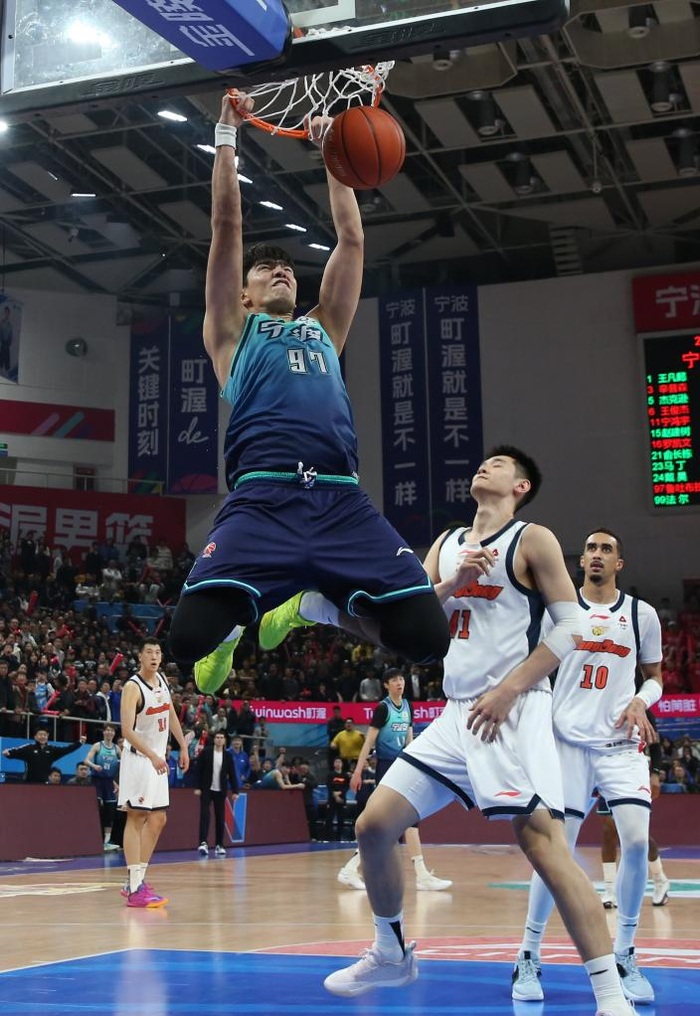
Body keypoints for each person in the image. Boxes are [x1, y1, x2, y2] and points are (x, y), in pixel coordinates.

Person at [299, 446, 633, 1015]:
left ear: (521, 487)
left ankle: (610, 996)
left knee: (545, 847)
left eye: (500, 465)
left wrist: (509, 690)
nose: (486, 466)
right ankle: (391, 952)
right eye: (485, 462)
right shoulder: (447, 543)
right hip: (456, 714)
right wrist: (453, 582)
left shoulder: (533, 539)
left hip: (515, 709)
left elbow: (571, 628)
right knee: (374, 825)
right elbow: (411, 620)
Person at [167, 91, 450, 693]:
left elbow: (351, 242)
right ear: (243, 295)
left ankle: (310, 604)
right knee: (187, 640)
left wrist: (334, 158)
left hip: (341, 499)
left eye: (289, 269)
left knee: (428, 640)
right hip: (262, 499)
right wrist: (226, 134)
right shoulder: (231, 331)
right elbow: (226, 225)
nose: (283, 271)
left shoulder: (325, 328)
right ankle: (241, 625)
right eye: (266, 270)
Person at [512, 528, 663, 1005]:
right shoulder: (558, 611)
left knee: (635, 841)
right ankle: (528, 954)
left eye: (606, 549)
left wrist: (641, 700)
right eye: (591, 549)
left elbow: (655, 677)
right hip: (567, 744)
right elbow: (531, 668)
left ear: (620, 563)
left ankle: (625, 952)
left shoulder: (641, 615)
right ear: (581, 562)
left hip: (619, 744)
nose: (596, 555)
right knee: (556, 851)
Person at [337, 668, 451, 892]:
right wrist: (358, 771)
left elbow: (410, 741)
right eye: (394, 680)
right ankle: (419, 875)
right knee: (393, 822)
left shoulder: (408, 706)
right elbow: (369, 742)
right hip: (385, 767)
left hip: (403, 765)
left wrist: (416, 765)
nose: (399, 683)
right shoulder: (383, 709)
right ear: (386, 685)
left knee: (407, 820)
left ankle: (419, 875)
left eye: (401, 679)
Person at [117, 637, 189, 908]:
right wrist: (152, 756)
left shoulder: (162, 680)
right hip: (139, 759)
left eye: (157, 652)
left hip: (157, 760)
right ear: (140, 656)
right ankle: (135, 887)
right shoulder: (132, 687)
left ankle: (135, 881)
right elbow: (126, 731)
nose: (154, 656)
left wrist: (183, 746)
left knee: (158, 820)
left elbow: (169, 713)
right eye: (149, 652)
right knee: (136, 817)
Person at [598, 709, 670, 910]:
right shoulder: (604, 703)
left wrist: (655, 774)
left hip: (633, 770)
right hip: (606, 770)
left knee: (637, 835)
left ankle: (660, 879)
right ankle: (610, 889)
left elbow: (655, 746)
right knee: (608, 831)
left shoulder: (641, 707)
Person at [196, 730, 239, 857]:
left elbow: (232, 774)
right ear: (214, 739)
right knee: (205, 815)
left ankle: (219, 845)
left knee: (220, 818)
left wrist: (235, 791)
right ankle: (203, 843)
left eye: (221, 737)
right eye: (217, 737)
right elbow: (198, 770)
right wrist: (198, 787)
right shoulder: (206, 752)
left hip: (221, 790)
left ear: (225, 740)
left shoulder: (228, 756)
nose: (219, 739)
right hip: (206, 789)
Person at [85, 723, 122, 851]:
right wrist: (94, 766)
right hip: (97, 781)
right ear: (104, 732)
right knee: (96, 809)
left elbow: (125, 763)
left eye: (111, 731)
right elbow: (86, 760)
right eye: (107, 730)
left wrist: (116, 783)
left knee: (110, 812)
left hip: (109, 783)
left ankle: (107, 841)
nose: (109, 732)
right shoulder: (97, 746)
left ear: (114, 733)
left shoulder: (117, 749)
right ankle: (93, 838)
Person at [2, 728, 86, 783]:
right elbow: (16, 751)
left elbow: (67, 749)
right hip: (29, 783)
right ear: (35, 737)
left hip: (44, 783)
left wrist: (79, 743)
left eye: (45, 735)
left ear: (47, 737)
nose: (42, 736)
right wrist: (8, 753)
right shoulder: (29, 748)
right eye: (40, 734)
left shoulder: (52, 750)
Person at [326, 756, 349, 841]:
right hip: (332, 799)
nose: (338, 764)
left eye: (339, 762)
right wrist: (335, 795)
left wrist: (340, 793)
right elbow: (329, 786)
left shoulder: (345, 775)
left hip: (342, 799)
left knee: (341, 819)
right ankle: (330, 837)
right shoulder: (330, 774)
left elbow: (347, 786)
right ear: (334, 764)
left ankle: (339, 837)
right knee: (330, 818)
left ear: (342, 764)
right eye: (336, 762)